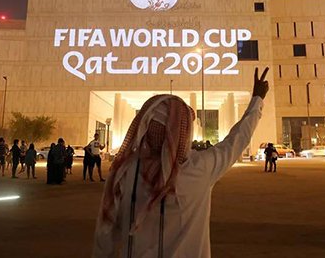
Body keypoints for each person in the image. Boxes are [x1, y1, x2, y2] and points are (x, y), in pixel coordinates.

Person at [92, 67, 269, 258]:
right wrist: (257, 99)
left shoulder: (124, 172)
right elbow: (236, 140)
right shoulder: (200, 168)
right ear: (181, 133)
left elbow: (105, 234)